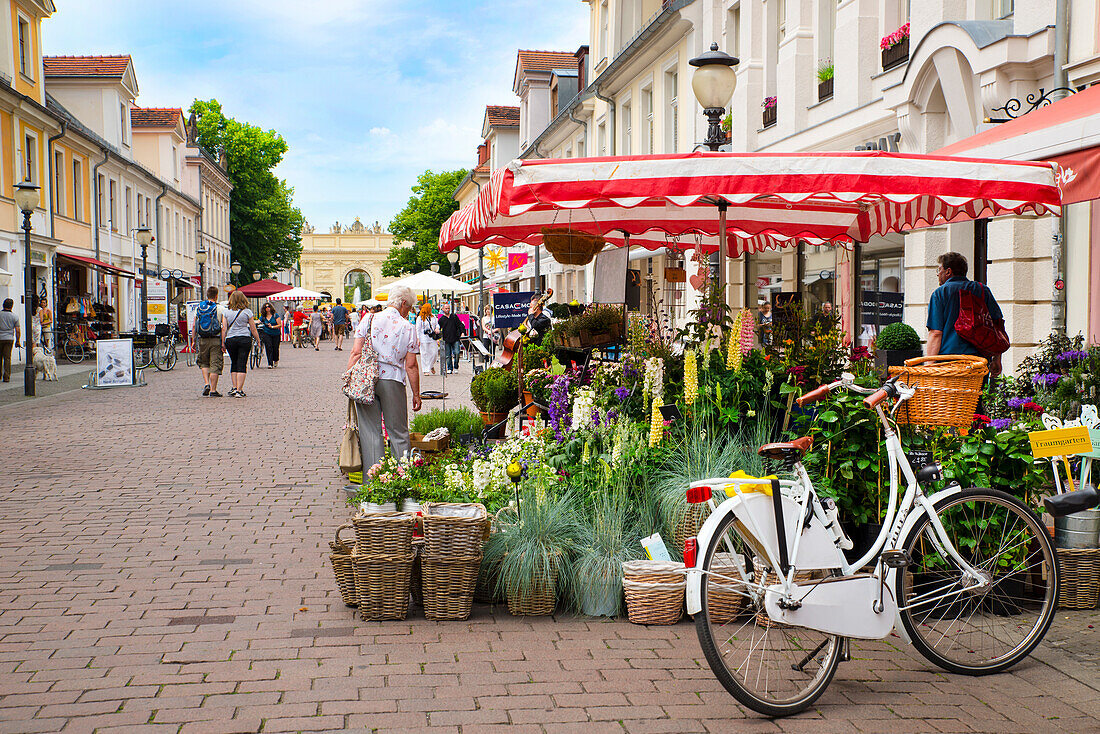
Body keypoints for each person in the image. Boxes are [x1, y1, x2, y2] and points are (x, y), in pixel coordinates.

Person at [345, 284, 422, 471]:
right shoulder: (408, 327)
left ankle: (373, 482)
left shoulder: (369, 319)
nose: (408, 311)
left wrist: (349, 378)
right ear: (403, 303)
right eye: (409, 307)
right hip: (393, 380)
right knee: (398, 432)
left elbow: (356, 352)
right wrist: (416, 394)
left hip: (366, 380)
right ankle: (402, 478)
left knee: (370, 432)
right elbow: (411, 365)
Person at [926, 251, 1005, 377]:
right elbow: (997, 324)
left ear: (948, 271)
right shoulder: (982, 290)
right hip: (979, 361)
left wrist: (929, 366)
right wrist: (997, 359)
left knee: (951, 397)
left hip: (949, 363)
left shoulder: (940, 293)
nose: (937, 273)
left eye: (939, 269)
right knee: (975, 396)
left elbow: (936, 333)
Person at [223, 289, 262, 397]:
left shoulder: (226, 312)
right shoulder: (247, 312)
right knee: (242, 363)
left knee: (234, 362)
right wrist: (258, 340)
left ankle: (234, 387)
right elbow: (253, 329)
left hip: (230, 339)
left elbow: (224, 328)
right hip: (244, 338)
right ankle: (239, 390)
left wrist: (223, 342)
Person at [192, 286, 226, 397]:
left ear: (207, 295)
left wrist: (193, 340)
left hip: (202, 339)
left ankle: (206, 383)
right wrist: (223, 342)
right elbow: (224, 327)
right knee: (215, 364)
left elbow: (194, 326)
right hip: (216, 339)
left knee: (204, 362)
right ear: (216, 296)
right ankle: (213, 389)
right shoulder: (220, 308)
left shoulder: (200, 308)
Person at [437, 301, 466, 374]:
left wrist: (462, 332)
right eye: (446, 308)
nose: (447, 310)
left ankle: (456, 366)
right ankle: (450, 368)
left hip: (455, 338)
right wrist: (438, 337)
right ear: (443, 309)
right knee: (448, 355)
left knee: (457, 353)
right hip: (446, 339)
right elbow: (438, 327)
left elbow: (460, 325)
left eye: (448, 308)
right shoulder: (441, 319)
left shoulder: (454, 317)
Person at [416, 303, 440, 375]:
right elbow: (418, 329)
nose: (431, 309)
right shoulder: (420, 318)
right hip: (423, 337)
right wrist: (418, 339)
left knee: (434, 353)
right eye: (430, 308)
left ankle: (431, 365)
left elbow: (437, 324)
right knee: (424, 354)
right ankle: (426, 370)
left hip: (432, 337)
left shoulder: (433, 317)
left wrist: (437, 328)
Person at [0, 298, 20, 383]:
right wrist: (18, 341)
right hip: (9, 339)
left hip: (0, 338)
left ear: (3, 305)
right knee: (7, 358)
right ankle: (7, 376)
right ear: (12, 306)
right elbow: (18, 330)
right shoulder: (15, 316)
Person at [257, 302, 282, 369]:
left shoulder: (275, 315)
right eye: (265, 307)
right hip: (267, 333)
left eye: (268, 307)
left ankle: (276, 359)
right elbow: (258, 321)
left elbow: (280, 325)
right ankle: (270, 363)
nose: (267, 308)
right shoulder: (263, 316)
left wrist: (273, 327)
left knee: (275, 348)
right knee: (268, 347)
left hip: (275, 333)